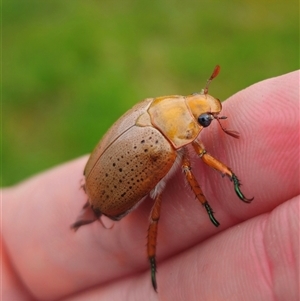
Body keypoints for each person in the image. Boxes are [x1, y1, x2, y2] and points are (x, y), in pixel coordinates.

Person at [2, 71, 299, 301]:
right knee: (157, 205)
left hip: (95, 172)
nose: (204, 113)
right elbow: (200, 161)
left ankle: (155, 252)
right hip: (111, 193)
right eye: (204, 119)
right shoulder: (165, 147)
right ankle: (152, 254)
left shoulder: (148, 106)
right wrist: (224, 181)